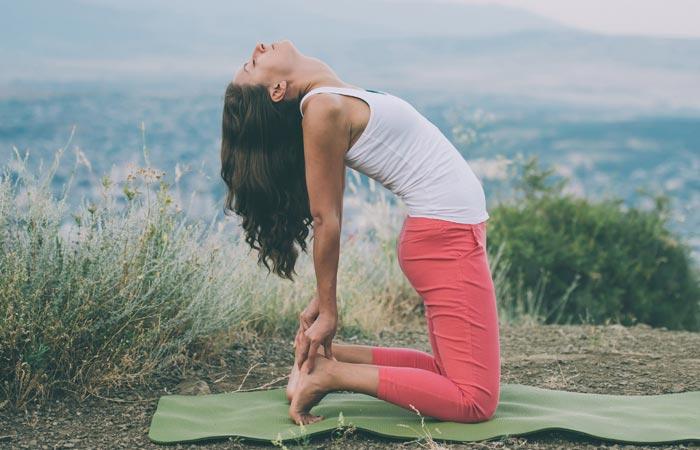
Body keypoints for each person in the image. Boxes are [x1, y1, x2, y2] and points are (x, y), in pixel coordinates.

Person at [222, 39, 500, 426]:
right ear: (277, 90)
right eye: (252, 64)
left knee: (444, 372)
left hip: (444, 237)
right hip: (445, 242)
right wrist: (328, 308)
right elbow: (326, 219)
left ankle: (322, 360)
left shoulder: (329, 94)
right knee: (474, 401)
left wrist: (322, 305)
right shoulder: (321, 108)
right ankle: (328, 375)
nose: (258, 48)